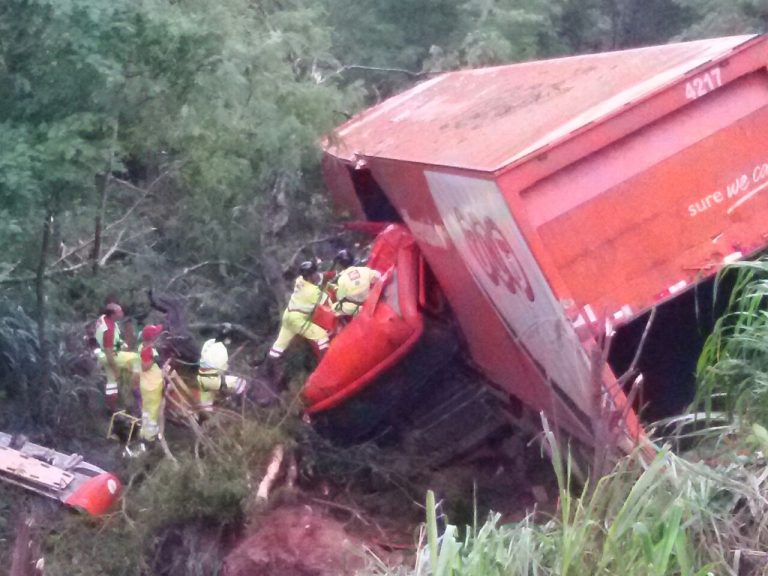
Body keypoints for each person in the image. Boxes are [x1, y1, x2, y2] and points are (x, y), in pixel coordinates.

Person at [267, 260, 331, 365]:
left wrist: (328, 275)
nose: (316, 274)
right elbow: (327, 302)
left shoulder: (300, 280)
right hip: (298, 319)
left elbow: (319, 278)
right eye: (314, 273)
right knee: (321, 335)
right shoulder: (313, 292)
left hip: (288, 316)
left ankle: (266, 371)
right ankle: (326, 364)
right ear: (310, 276)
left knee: (277, 348)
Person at [94, 302, 140, 412]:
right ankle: (136, 391)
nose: (122, 313)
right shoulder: (108, 329)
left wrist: (122, 345)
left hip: (102, 353)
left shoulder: (105, 319)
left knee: (111, 383)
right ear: (113, 314)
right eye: (119, 311)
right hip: (109, 355)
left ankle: (111, 408)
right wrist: (115, 369)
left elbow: (113, 342)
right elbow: (109, 352)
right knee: (136, 358)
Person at [138, 324, 164, 444]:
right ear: (152, 338)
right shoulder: (147, 350)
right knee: (153, 412)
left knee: (146, 410)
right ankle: (150, 438)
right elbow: (145, 366)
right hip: (153, 386)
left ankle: (144, 432)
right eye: (156, 335)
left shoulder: (142, 347)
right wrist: (154, 359)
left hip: (145, 385)